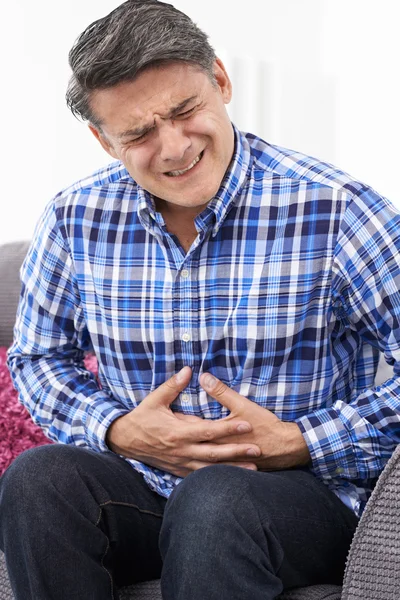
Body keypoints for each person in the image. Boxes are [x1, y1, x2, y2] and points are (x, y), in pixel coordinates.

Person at [1, 1, 400, 598]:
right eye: (137, 133)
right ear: (103, 139)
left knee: (215, 501)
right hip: (145, 488)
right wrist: (116, 430)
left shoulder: (339, 210)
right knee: (38, 478)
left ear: (220, 80)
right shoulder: (72, 219)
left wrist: (301, 441)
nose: (172, 147)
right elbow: (37, 359)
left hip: (304, 498)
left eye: (185, 111)